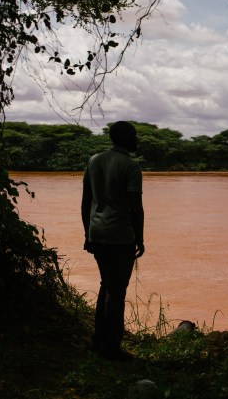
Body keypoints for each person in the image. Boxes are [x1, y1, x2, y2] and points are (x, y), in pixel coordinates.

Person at [81, 121, 145, 360]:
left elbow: (86, 202)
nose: (137, 139)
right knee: (116, 291)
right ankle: (111, 348)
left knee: (106, 285)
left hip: (97, 233)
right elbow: (136, 208)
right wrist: (139, 238)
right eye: (134, 136)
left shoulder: (94, 160)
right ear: (127, 138)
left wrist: (87, 233)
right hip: (120, 236)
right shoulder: (131, 167)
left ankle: (99, 341)